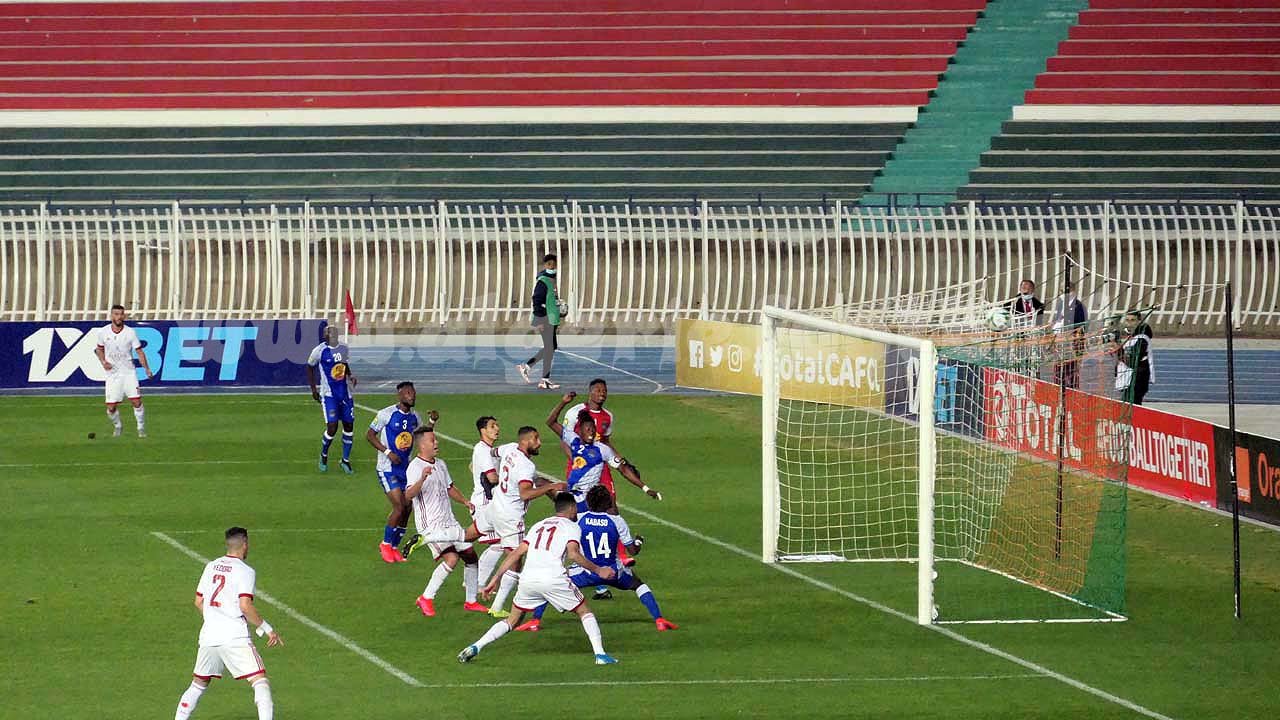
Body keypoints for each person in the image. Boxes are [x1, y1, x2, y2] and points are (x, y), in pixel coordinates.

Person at [457, 492, 619, 666]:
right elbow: (573, 554)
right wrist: (599, 570)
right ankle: (600, 655)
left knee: (512, 620)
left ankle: (476, 646)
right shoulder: (572, 527)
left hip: (528, 580)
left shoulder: (539, 525)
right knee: (584, 611)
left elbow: (516, 553)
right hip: (553, 578)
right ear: (572, 508)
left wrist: (495, 578)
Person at [516, 485, 677, 633]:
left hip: (586, 571)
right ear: (609, 503)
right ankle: (659, 620)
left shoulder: (580, 518)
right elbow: (632, 551)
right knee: (638, 584)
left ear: (588, 502)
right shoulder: (617, 521)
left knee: (553, 582)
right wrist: (638, 542)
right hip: (613, 571)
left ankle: (535, 621)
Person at [175, 527, 283, 720]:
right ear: (245, 544)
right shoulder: (245, 571)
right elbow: (245, 606)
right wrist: (267, 629)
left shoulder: (211, 566)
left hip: (209, 636)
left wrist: (215, 620)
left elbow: (198, 601)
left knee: (198, 684)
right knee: (260, 681)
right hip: (234, 636)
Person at [462, 426, 566, 618]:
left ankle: (437, 540)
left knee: (467, 536)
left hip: (494, 507)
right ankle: (497, 606)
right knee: (516, 561)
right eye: (536, 439)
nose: (539, 443)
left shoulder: (509, 448)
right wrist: (551, 486)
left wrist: (480, 467)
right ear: (525, 441)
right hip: (510, 517)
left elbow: (493, 452)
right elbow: (525, 493)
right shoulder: (526, 466)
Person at [402, 427, 490, 616]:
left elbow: (449, 488)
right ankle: (426, 598)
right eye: (432, 440)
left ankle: (471, 601)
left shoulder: (440, 464)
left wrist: (465, 501)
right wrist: (422, 479)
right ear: (422, 445)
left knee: (470, 556)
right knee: (452, 558)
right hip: (430, 525)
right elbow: (408, 495)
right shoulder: (414, 467)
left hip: (449, 521)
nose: (437, 443)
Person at [548, 392, 661, 512]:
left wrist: (645, 488)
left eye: (593, 429)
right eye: (588, 429)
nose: (591, 432)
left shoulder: (602, 449)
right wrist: (563, 403)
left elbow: (623, 469)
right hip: (573, 495)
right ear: (580, 431)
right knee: (541, 483)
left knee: (612, 510)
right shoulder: (573, 439)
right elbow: (551, 422)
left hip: (588, 497)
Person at [365, 382, 435, 563]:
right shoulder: (386, 414)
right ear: (400, 395)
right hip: (387, 468)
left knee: (408, 508)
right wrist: (388, 452)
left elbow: (422, 435)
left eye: (413, 392)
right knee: (399, 506)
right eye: (408, 393)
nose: (412, 396)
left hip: (406, 468)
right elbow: (369, 435)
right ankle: (385, 544)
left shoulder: (414, 417)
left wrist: (432, 422)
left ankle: (395, 547)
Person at [455, 415, 506, 589]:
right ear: (483, 430)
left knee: (498, 542)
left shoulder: (487, 450)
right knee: (499, 543)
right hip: (484, 503)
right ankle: (475, 582)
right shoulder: (483, 449)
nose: (497, 428)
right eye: (492, 426)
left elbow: (473, 467)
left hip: (488, 502)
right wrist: (510, 480)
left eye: (497, 425)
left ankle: (474, 581)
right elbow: (492, 478)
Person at [94, 304, 154, 437]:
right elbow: (99, 349)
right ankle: (118, 426)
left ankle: (141, 428)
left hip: (129, 373)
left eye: (121, 314)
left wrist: (147, 369)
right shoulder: (103, 332)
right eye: (116, 314)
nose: (119, 317)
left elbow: (139, 352)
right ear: (111, 316)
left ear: (124, 316)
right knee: (111, 407)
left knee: (136, 401)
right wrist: (103, 362)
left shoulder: (130, 332)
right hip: (112, 374)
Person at [306, 325, 357, 474]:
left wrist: (350, 375)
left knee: (349, 426)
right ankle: (324, 455)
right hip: (329, 395)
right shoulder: (319, 351)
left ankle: (345, 460)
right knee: (332, 427)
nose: (332, 336)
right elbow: (309, 367)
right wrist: (313, 389)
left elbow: (344, 363)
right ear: (325, 336)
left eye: (334, 333)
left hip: (345, 394)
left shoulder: (344, 348)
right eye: (329, 334)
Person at [516, 253, 564, 390]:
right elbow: (537, 301)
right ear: (545, 265)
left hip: (551, 319)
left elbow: (550, 300)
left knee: (551, 347)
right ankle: (544, 380)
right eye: (549, 264)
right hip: (545, 319)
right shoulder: (543, 281)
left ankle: (526, 367)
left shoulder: (552, 279)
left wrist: (559, 307)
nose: (552, 266)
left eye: (554, 264)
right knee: (549, 348)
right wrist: (540, 321)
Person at [1050, 282, 1089, 389]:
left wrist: (1077, 341)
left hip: (1071, 343)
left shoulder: (1079, 306)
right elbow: (1057, 320)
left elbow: (1082, 326)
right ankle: (1058, 389)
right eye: (1061, 290)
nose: (1061, 293)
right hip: (1059, 342)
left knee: (1071, 371)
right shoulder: (1060, 305)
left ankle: (1071, 390)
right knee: (1058, 370)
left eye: (1063, 290)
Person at [1115, 311, 1155, 405]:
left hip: (1137, 379)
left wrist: (1118, 349)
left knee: (1131, 406)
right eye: (1127, 320)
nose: (1129, 323)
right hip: (1129, 378)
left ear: (1139, 321)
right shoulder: (1131, 336)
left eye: (1133, 320)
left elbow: (1132, 361)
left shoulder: (1142, 339)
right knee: (1127, 405)